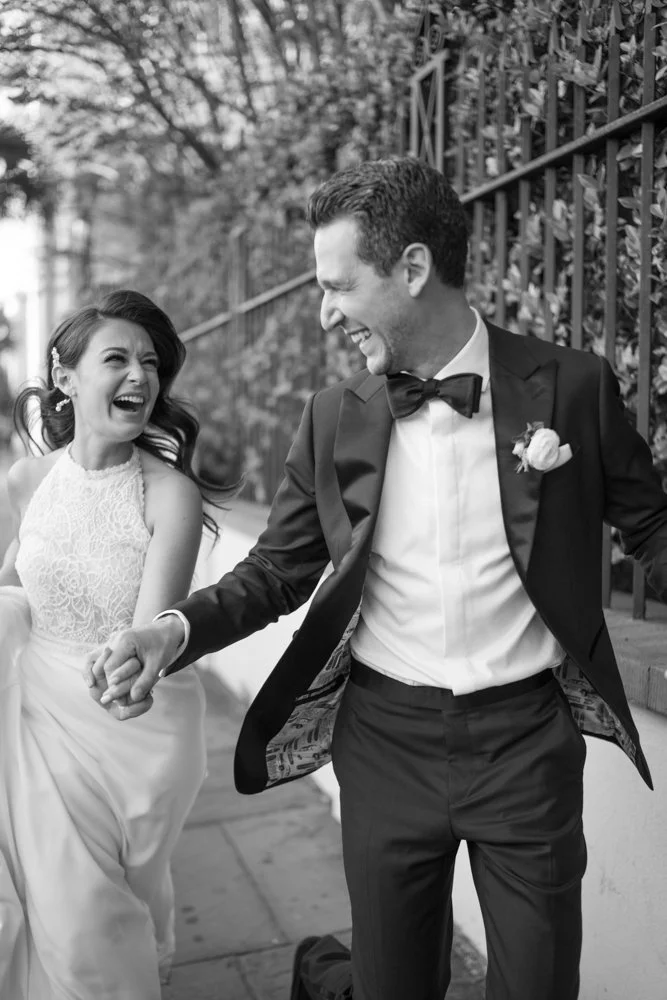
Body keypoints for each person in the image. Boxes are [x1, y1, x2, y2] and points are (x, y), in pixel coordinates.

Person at [88, 159, 666, 1000]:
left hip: (526, 746)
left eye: (338, 285)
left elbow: (649, 526)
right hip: (384, 742)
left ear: (412, 269)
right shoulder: (333, 416)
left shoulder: (570, 387)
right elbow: (279, 570)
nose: (325, 312)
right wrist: (169, 632)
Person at [0, 289, 232, 999]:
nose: (140, 375)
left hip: (129, 722)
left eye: (151, 363)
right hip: (34, 721)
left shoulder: (168, 495)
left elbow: (146, 640)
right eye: (117, 358)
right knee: (70, 919)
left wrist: (127, 671)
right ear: (67, 377)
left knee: (100, 907)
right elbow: (10, 588)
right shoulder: (25, 480)